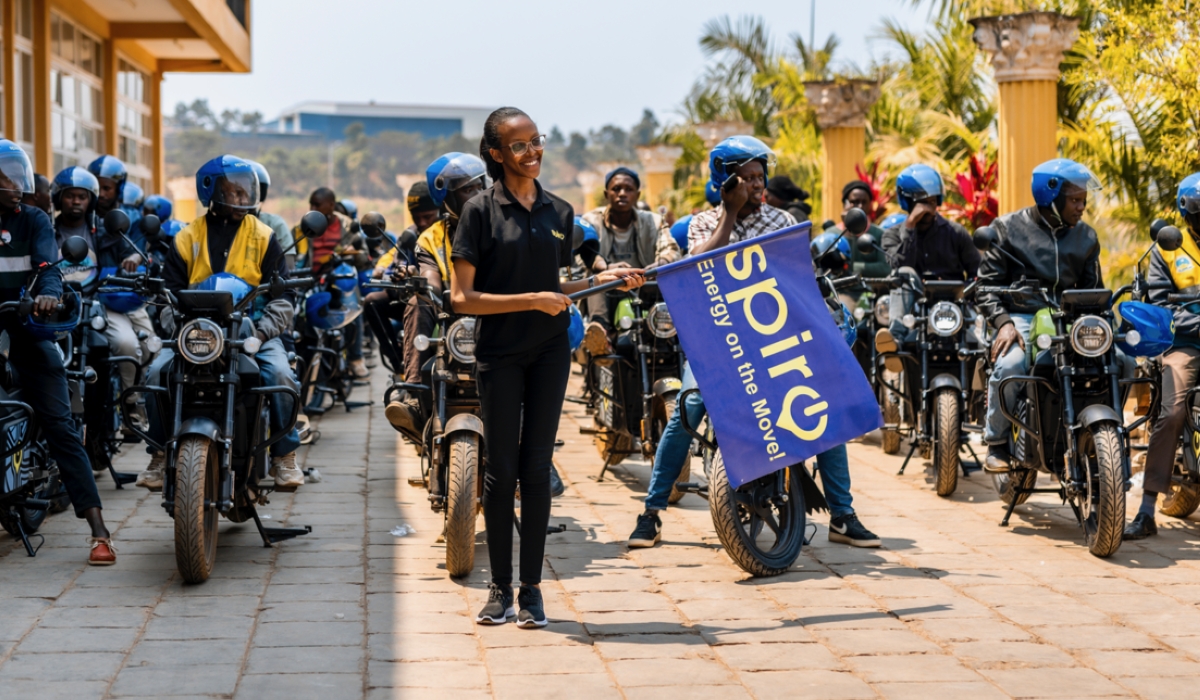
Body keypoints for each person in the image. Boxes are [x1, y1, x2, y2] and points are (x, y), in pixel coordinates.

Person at [628, 135, 881, 551]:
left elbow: (797, 280)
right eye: (746, 179)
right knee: (689, 408)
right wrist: (729, 213)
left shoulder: (781, 223)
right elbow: (697, 268)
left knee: (823, 406)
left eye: (760, 177)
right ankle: (652, 512)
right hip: (717, 341)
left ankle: (843, 515)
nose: (757, 186)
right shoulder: (701, 224)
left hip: (775, 339)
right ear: (725, 183)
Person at [452, 107, 643, 627]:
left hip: (550, 351)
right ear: (495, 154)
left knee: (536, 468)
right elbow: (462, 297)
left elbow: (558, 291)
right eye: (519, 145)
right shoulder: (479, 213)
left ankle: (532, 589)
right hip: (499, 353)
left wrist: (611, 278)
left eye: (537, 141)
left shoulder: (559, 212)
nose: (532, 152)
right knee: (501, 470)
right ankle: (498, 589)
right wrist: (530, 300)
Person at [138, 155, 304, 489]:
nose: (244, 199)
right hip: (195, 332)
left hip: (252, 329)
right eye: (236, 192)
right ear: (210, 191)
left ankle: (285, 457)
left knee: (282, 375)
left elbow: (283, 298)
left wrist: (262, 331)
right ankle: (157, 454)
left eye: (247, 192)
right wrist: (178, 328)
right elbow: (167, 295)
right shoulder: (186, 237)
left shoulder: (265, 235)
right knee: (156, 373)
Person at [0, 141, 114, 564]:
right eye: (4, 177)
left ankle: (99, 530)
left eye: (15, 175)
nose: (13, 184)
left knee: (61, 424)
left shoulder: (33, 221)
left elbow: (49, 270)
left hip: (25, 324)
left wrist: (47, 296)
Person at [976, 158, 1104, 473]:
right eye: (1075, 200)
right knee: (1012, 364)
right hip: (1021, 314)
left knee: (1120, 361)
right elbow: (986, 288)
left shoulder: (1086, 237)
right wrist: (1003, 323)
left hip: (1068, 317)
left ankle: (1104, 436)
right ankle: (997, 443)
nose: (1081, 207)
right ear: (1051, 197)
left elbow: (1093, 290)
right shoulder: (1006, 229)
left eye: (1083, 200)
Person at [383, 153, 488, 439]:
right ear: (446, 198)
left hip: (496, 312)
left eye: (481, 187)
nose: (477, 195)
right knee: (418, 301)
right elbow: (430, 276)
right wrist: (423, 284)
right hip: (448, 312)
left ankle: (540, 454)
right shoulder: (430, 237)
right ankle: (415, 397)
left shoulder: (500, 227)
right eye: (468, 189)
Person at [50, 166, 157, 431]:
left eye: (82, 196)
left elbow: (129, 252)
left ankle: (130, 402)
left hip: (98, 303)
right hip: (57, 305)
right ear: (58, 198)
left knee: (126, 344)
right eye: (70, 195)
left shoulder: (105, 229)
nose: (76, 201)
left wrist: (134, 257)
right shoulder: (47, 230)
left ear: (91, 200)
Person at [1126, 173, 1200, 539]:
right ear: (1186, 215)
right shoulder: (1166, 249)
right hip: (1185, 342)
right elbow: (1159, 306)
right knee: (1171, 411)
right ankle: (1146, 510)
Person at [875, 165, 980, 370]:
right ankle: (894, 340)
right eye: (922, 203)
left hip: (954, 301)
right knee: (904, 273)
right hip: (914, 303)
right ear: (908, 202)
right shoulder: (892, 235)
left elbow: (977, 271)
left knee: (981, 345)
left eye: (933, 201)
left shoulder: (956, 232)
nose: (929, 208)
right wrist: (911, 226)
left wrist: (970, 293)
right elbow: (899, 265)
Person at [579, 166, 680, 354]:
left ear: (638, 194)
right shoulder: (591, 220)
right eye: (616, 189)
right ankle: (599, 331)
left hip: (646, 287)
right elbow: (586, 253)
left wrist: (659, 265)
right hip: (608, 288)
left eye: (629, 189)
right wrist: (608, 268)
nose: (622, 193)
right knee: (596, 276)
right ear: (606, 194)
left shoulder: (654, 221)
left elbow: (671, 250)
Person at [296, 187, 371, 378]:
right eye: (311, 204)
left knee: (353, 308)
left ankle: (356, 358)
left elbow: (362, 256)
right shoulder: (304, 225)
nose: (312, 208)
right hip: (311, 280)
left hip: (338, 279)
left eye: (317, 204)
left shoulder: (347, 225)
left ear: (331, 205)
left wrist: (346, 255)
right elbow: (296, 256)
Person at [245, 161, 294, 269]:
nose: (243, 198)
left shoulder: (275, 225)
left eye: (249, 191)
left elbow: (288, 269)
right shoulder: (218, 227)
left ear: (260, 194)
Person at [841, 181, 891, 279]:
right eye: (854, 202)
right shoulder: (832, 234)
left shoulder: (879, 234)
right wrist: (847, 230)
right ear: (845, 204)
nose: (860, 206)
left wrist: (850, 267)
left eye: (864, 202)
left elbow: (885, 268)